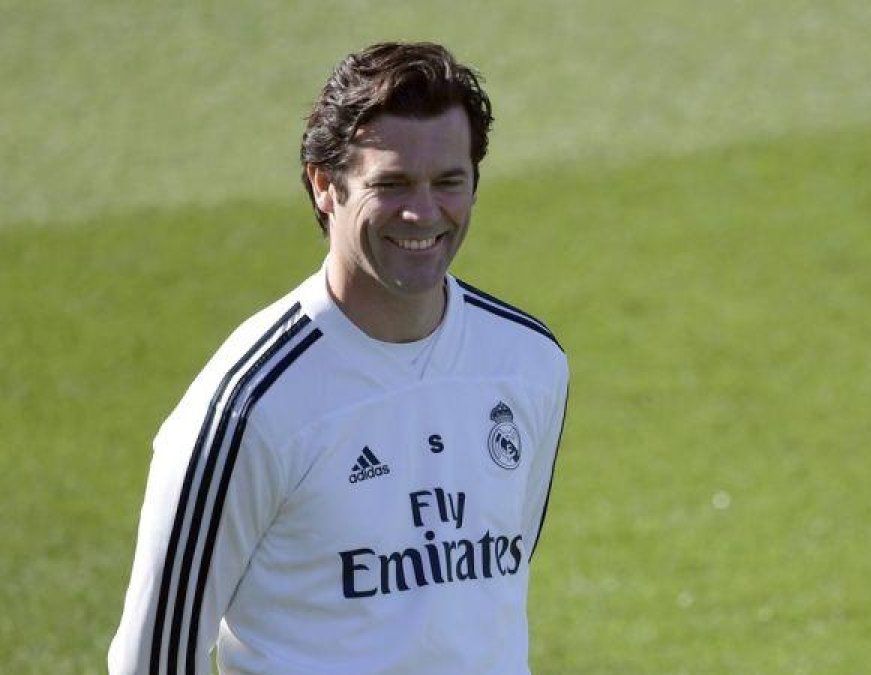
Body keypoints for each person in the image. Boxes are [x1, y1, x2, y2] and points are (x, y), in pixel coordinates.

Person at [109, 42, 569, 674]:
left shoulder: (528, 364)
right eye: (393, 183)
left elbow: (490, 590)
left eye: (448, 182)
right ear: (324, 185)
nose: (424, 212)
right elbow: (152, 661)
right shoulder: (249, 407)